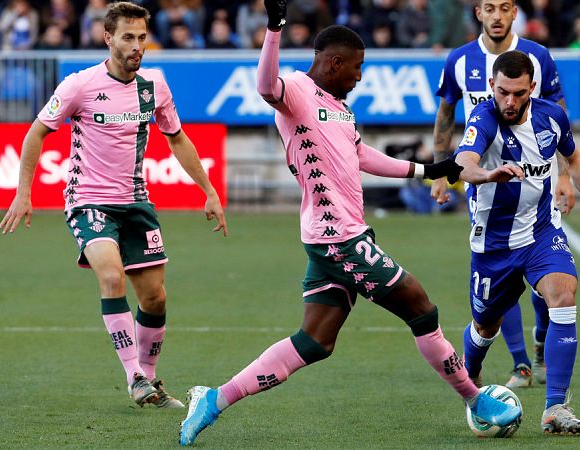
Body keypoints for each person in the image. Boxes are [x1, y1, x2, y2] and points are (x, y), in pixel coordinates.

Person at [178, 4, 522, 446]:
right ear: (333, 62)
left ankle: (214, 398)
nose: (359, 77)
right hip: (338, 237)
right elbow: (265, 85)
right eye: (356, 68)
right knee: (420, 306)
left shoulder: (338, 108)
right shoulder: (299, 91)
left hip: (336, 235)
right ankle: (475, 399)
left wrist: (431, 170)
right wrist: (274, 28)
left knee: (316, 341)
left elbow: (363, 156)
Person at [0, 1, 228, 409]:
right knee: (111, 276)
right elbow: (36, 133)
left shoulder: (154, 86)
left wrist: (208, 190)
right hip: (88, 200)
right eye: (128, 37)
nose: (137, 45)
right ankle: (134, 375)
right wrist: (23, 191)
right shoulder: (78, 85)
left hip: (136, 201)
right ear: (108, 38)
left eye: (142, 37)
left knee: (155, 298)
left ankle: (151, 383)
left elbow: (177, 138)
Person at [455, 50, 580, 434]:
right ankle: (468, 382)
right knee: (485, 327)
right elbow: (464, 162)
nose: (509, 101)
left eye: (518, 93)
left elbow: (575, 156)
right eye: (503, 91)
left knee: (564, 296)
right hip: (493, 245)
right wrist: (487, 175)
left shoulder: (551, 116)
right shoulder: (482, 119)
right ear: (492, 86)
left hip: (540, 232)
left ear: (532, 88)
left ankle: (555, 408)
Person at [431, 0, 575, 390]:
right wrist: (441, 171)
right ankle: (521, 362)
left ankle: (542, 341)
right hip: (486, 183)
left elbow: (559, 118)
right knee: (503, 275)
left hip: (537, 184)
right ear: (478, 13)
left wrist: (565, 176)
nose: (497, 16)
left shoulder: (539, 57)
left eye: (505, 7)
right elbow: (446, 115)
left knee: (551, 286)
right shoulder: (459, 61)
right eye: (489, 8)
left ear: (516, 14)